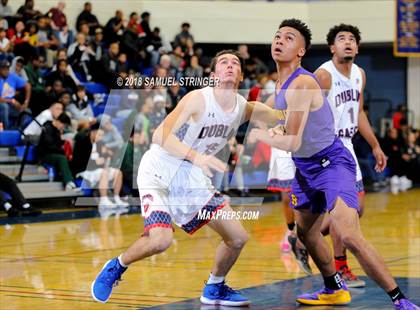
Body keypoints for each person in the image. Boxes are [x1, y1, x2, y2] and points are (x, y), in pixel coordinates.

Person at [248, 19, 418, 309]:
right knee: (306, 233)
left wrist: (259, 133)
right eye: (277, 36)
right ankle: (333, 288)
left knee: (349, 233)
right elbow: (289, 126)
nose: (280, 40)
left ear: (301, 51)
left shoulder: (303, 81)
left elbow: (291, 140)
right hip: (305, 167)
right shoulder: (280, 83)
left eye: (289, 38)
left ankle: (400, 299)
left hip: (332, 163)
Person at [91, 49, 282, 306]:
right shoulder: (197, 99)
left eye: (235, 63)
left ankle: (215, 287)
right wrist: (197, 157)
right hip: (160, 167)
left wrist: (286, 106)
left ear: (240, 75)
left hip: (191, 176)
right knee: (161, 240)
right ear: (213, 75)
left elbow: (279, 116)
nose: (229, 65)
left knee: (237, 237)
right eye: (223, 62)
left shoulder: (243, 108)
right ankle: (117, 266)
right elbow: (160, 136)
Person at [314, 23, 387, 288]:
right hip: (327, 148)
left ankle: (303, 238)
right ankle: (340, 266)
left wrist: (375, 145)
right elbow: (307, 110)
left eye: (352, 39)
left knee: (357, 209)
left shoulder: (359, 74)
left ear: (357, 47)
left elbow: (359, 112)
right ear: (332, 47)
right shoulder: (323, 75)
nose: (348, 42)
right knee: (345, 211)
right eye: (342, 38)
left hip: (348, 145)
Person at [0, 60, 31, 129]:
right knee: (4, 107)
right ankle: (6, 131)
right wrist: (12, 101)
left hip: (11, 106)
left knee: (27, 111)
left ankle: (17, 129)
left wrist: (26, 102)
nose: (6, 71)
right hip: (2, 105)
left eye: (7, 69)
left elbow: (28, 85)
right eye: (4, 69)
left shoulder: (12, 76)